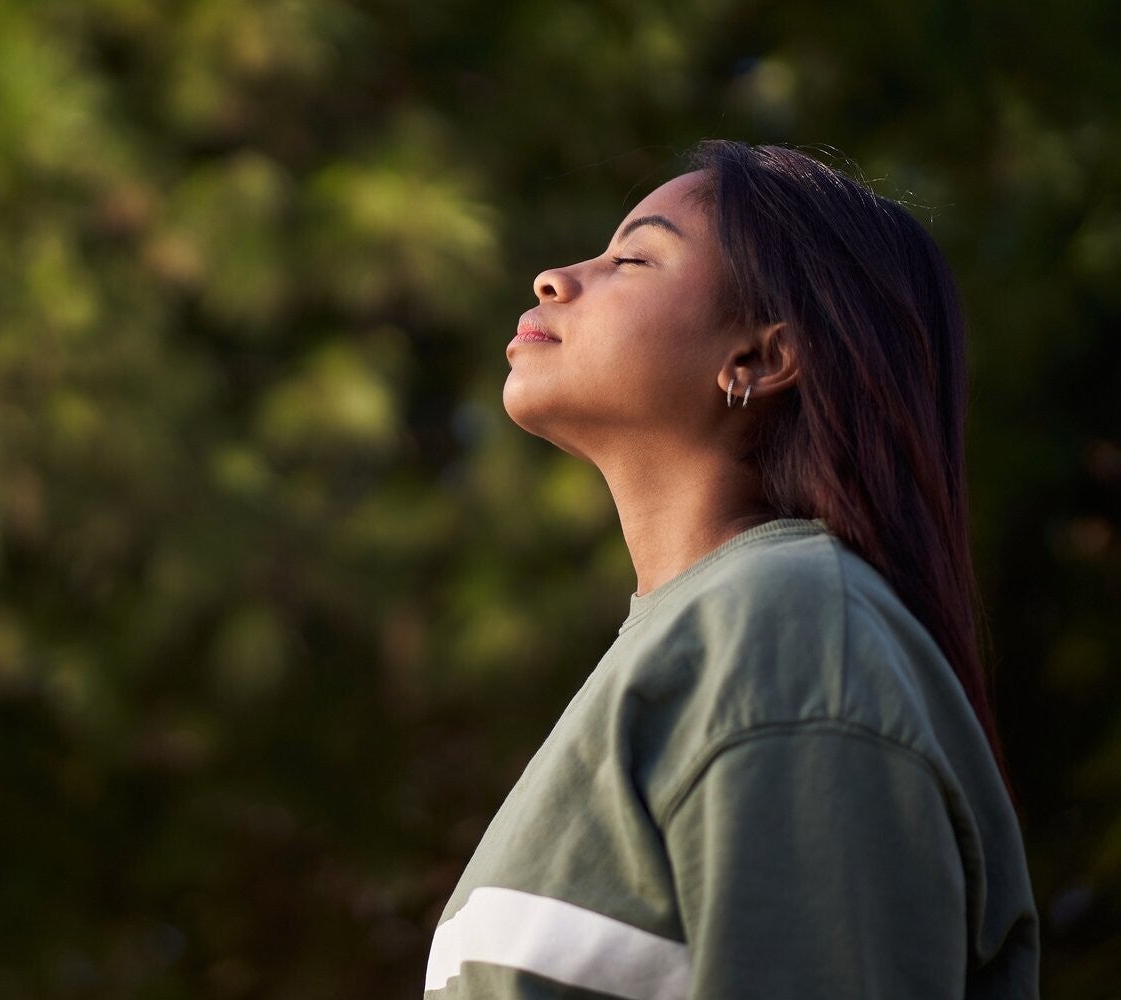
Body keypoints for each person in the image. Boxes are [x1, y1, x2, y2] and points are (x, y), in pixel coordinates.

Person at [423, 141, 1039, 999]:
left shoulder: (792, 632)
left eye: (632, 257)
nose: (554, 278)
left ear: (757, 359)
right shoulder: (710, 638)